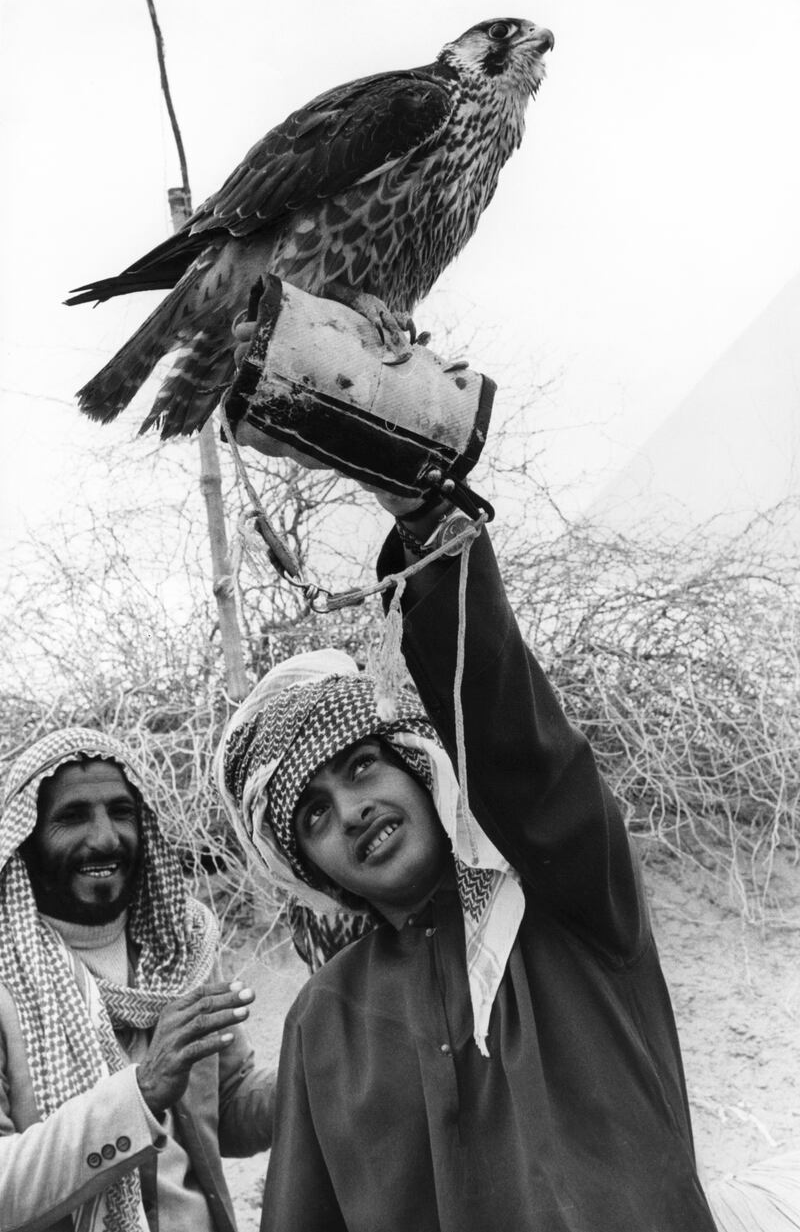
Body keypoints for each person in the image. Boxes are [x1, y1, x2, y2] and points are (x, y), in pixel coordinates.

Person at [215, 416, 719, 1230]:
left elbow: (515, 737)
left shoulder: (568, 905)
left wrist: (425, 523)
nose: (353, 811)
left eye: (361, 765)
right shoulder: (324, 1023)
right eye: (313, 814)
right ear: (308, 864)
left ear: (418, 762)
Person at [0, 727, 275, 1232]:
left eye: (121, 813)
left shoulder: (183, 951)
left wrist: (312, 1070)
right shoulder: (5, 982)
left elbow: (227, 1114)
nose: (106, 838)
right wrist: (140, 1095)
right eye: (72, 817)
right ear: (27, 840)